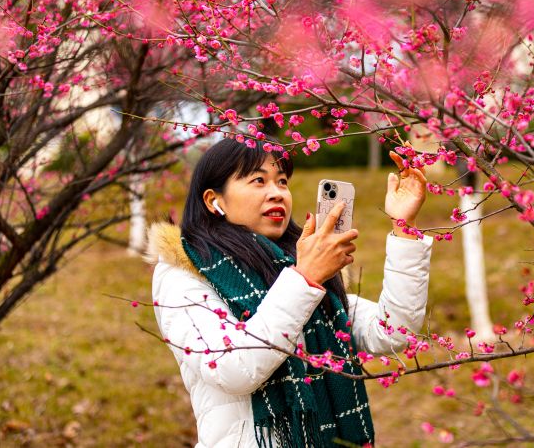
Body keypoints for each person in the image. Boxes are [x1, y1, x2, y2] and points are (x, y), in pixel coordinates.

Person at [147, 137, 432, 448]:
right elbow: (232, 369)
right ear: (215, 200)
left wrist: (405, 228)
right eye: (259, 180)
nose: (277, 193)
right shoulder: (184, 275)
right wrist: (305, 277)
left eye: (282, 181)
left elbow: (393, 333)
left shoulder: (297, 270)